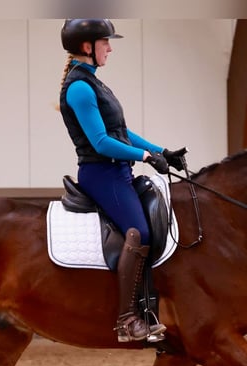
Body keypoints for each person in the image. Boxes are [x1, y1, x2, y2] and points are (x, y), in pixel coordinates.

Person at [59, 18, 187, 344]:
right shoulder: (79, 88)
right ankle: (128, 319)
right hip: (100, 173)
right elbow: (101, 142)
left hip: (118, 171)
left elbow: (122, 133)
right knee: (139, 231)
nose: (110, 48)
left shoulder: (96, 84)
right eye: (106, 43)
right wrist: (144, 158)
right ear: (87, 47)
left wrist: (162, 151)